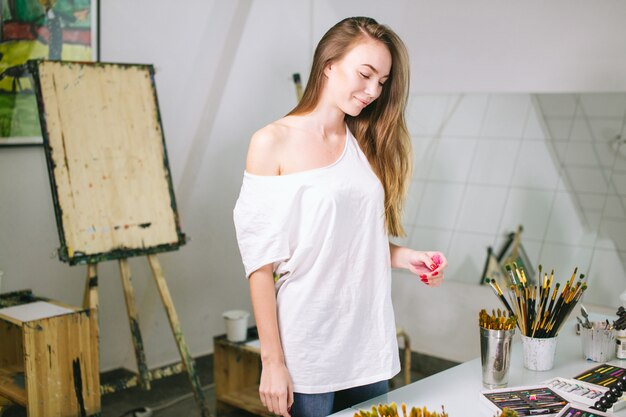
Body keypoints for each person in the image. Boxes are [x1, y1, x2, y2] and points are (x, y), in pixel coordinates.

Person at [233, 16, 448, 417]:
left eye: (382, 82)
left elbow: (349, 241)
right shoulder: (271, 143)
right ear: (329, 64)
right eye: (365, 74)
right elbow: (259, 263)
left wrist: (406, 256)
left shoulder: (364, 142)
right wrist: (272, 361)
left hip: (368, 342)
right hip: (308, 350)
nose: (372, 91)